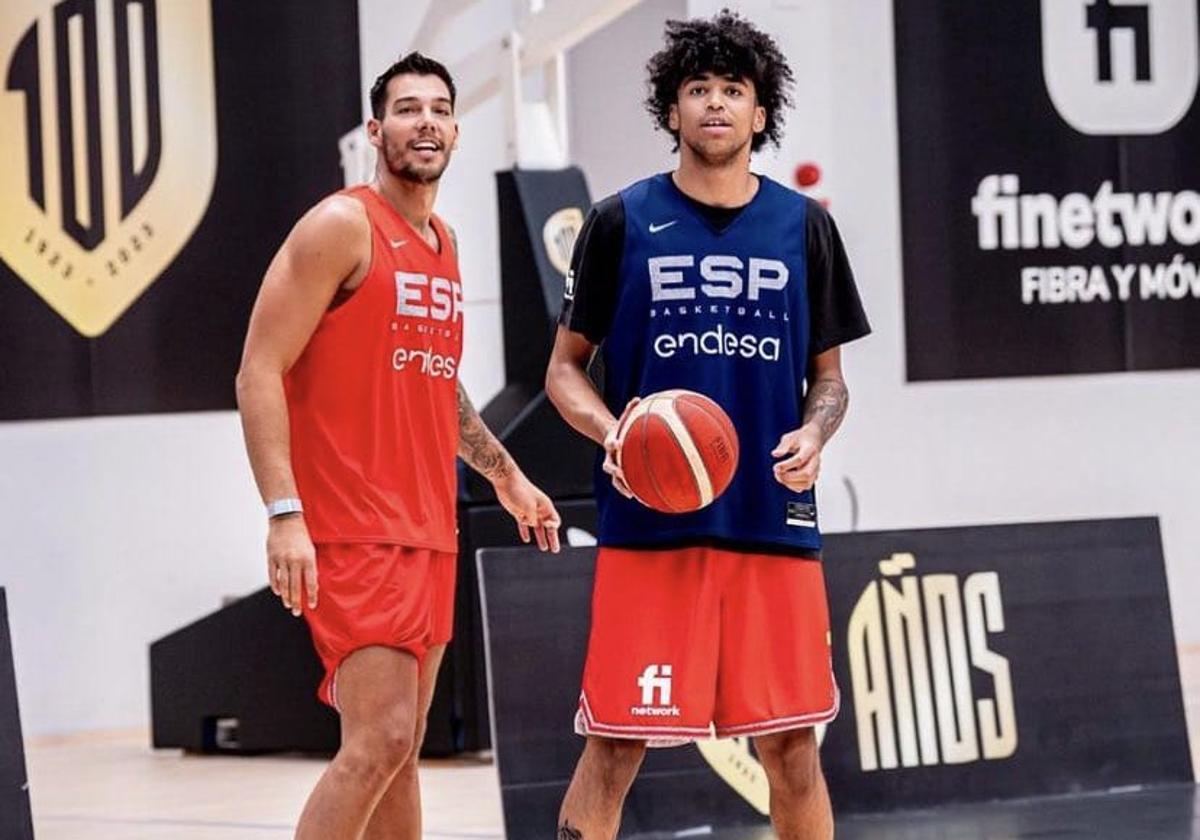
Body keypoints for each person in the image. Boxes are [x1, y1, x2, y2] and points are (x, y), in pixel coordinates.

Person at [545, 11, 870, 839]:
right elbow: (563, 371)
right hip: (652, 527)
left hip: (772, 520)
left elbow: (829, 382)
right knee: (615, 744)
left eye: (734, 90)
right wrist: (615, 433)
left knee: (794, 748)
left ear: (761, 114)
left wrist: (815, 433)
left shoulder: (805, 227)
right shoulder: (619, 221)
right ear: (672, 112)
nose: (716, 105)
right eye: (698, 90)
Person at [235, 51, 561, 840]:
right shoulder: (342, 225)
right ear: (378, 130)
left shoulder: (443, 241)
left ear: (455, 128)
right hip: (352, 524)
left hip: (427, 527)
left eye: (440, 108)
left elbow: (437, 384)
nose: (426, 122)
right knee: (375, 742)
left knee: (402, 747)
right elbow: (258, 370)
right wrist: (285, 514)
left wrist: (507, 478)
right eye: (408, 108)